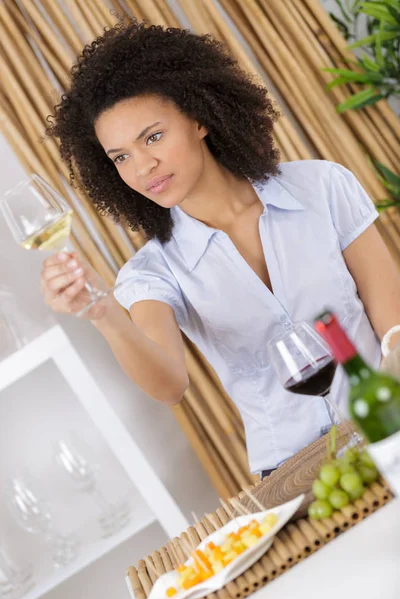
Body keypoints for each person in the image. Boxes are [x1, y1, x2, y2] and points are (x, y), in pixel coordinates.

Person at [41, 18, 400, 478]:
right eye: (121, 157)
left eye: (153, 137)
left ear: (199, 118)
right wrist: (102, 312)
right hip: (293, 478)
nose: (143, 167)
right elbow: (170, 384)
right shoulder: (153, 272)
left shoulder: (323, 187)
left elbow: (391, 323)